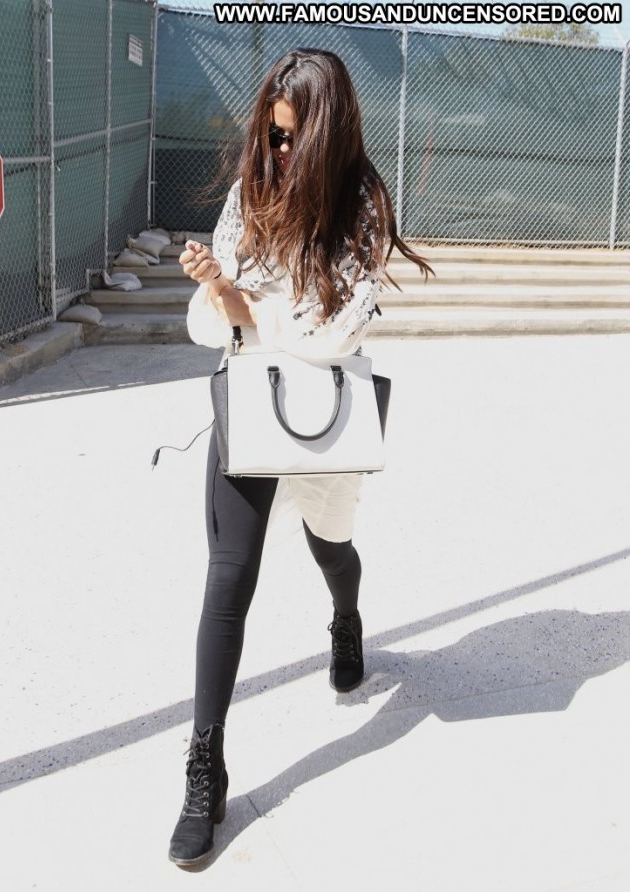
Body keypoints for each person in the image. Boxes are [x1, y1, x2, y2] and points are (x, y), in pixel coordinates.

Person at [168, 48, 431, 869]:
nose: (276, 153)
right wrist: (220, 294)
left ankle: (345, 619)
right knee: (228, 576)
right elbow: (211, 326)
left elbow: (335, 334)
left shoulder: (363, 205)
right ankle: (204, 766)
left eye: (290, 140)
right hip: (251, 407)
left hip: (321, 419)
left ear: (325, 134)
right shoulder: (251, 193)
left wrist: (249, 308)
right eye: (270, 136)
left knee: (332, 546)